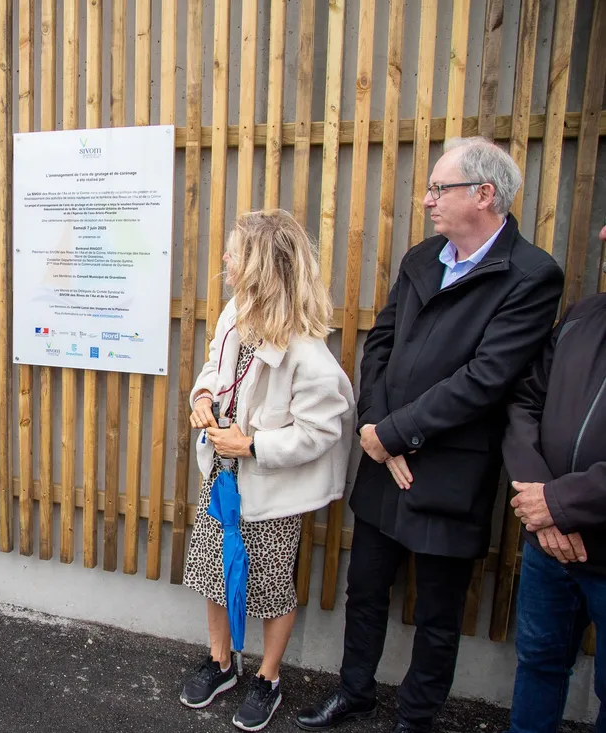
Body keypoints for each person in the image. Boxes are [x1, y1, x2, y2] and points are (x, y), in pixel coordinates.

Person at [296, 137, 565, 733]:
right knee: (364, 588)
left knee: (439, 610)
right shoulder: (424, 257)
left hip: (449, 469)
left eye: (440, 188)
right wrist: (372, 426)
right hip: (383, 454)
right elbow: (382, 345)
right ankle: (354, 692)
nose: (427, 200)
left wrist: (395, 434)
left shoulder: (530, 275)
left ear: (484, 194)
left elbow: (486, 379)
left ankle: (417, 718)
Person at [181, 210, 356, 731]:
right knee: (216, 570)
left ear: (260, 264)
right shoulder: (236, 312)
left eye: (234, 251)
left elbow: (321, 431)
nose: (226, 260)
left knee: (270, 585)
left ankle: (269, 678)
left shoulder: (308, 351)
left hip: (272, 488)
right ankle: (220, 663)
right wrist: (204, 394)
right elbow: (215, 361)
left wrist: (254, 445)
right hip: (222, 474)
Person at [500, 219, 606, 733]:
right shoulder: (585, 316)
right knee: (539, 664)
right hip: (549, 545)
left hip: (595, 541)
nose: (602, 233)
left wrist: (559, 504)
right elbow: (525, 403)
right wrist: (540, 505)